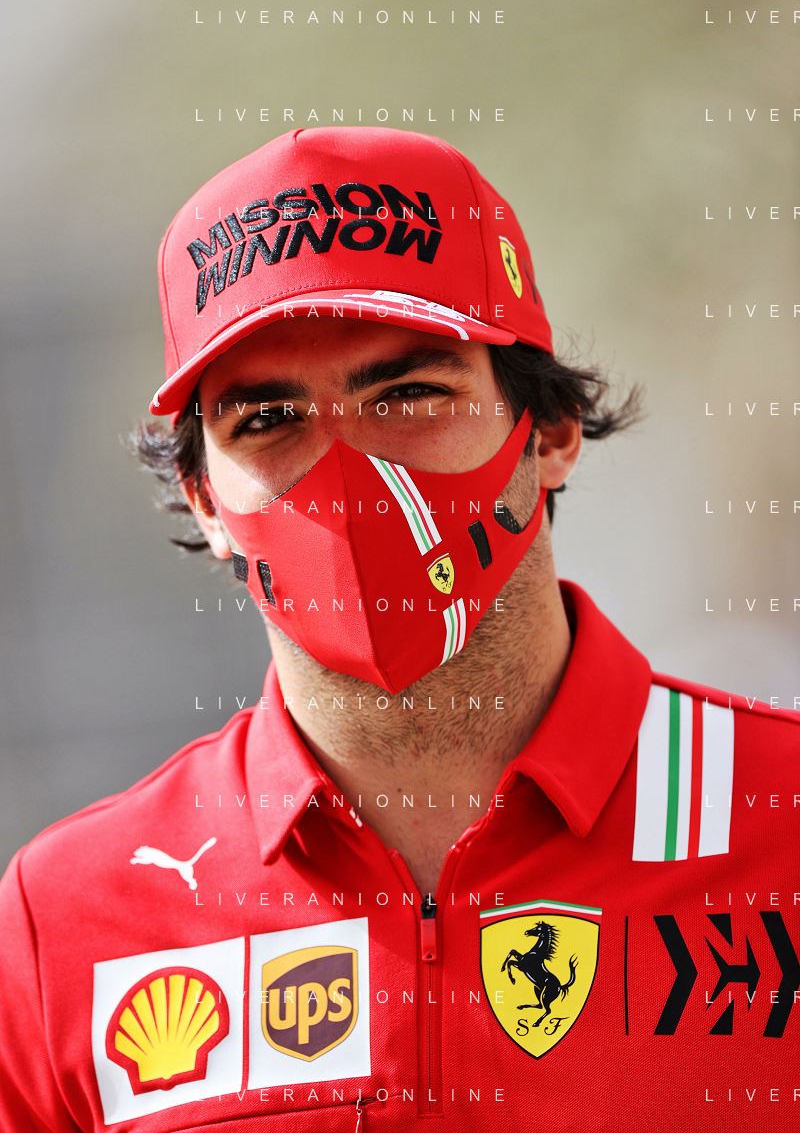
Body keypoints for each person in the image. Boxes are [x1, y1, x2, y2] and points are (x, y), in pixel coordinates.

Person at [0, 127, 796, 1132]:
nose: (345, 477)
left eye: (409, 394)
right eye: (267, 419)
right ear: (204, 498)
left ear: (548, 433)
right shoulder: (67, 921)